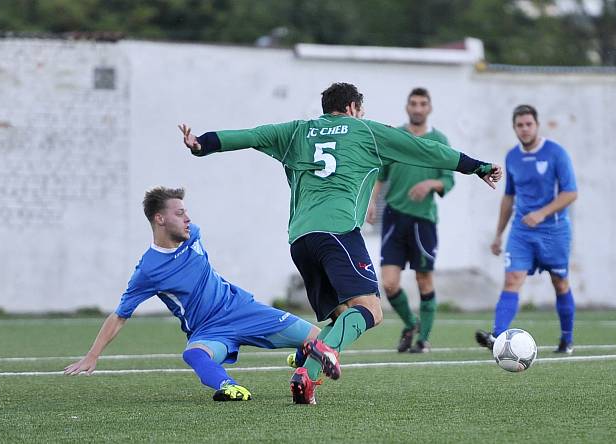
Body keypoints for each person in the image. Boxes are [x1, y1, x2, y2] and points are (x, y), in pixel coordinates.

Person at [179, 82, 502, 404]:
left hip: (301, 239)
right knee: (370, 311)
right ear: (352, 108)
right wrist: (477, 167)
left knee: (341, 317)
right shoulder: (367, 131)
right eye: (360, 110)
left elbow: (248, 136)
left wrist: (201, 144)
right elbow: (426, 150)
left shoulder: (295, 131)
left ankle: (305, 379)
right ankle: (316, 357)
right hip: (338, 232)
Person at [64, 187, 331, 402]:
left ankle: (299, 356)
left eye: (186, 212)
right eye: (180, 213)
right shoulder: (148, 271)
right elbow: (120, 315)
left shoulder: (193, 234)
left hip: (241, 309)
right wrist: (93, 355)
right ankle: (228, 386)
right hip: (209, 330)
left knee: (320, 340)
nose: (188, 219)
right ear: (160, 219)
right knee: (193, 353)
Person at [476, 105, 578, 354]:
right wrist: (498, 234)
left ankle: (567, 339)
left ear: (537, 125)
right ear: (514, 128)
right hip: (522, 232)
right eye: (519, 125)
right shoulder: (512, 157)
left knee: (560, 283)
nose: (524, 129)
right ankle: (498, 337)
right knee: (512, 280)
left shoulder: (556, 153)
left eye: (528, 124)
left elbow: (570, 193)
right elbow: (508, 197)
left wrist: (542, 213)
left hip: (554, 232)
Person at [366, 87, 454, 354]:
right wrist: (371, 201)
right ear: (407, 107)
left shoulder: (439, 140)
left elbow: (449, 179)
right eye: (413, 103)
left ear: (429, 108)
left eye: (422, 104)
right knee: (389, 283)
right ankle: (411, 323)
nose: (417, 108)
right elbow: (380, 175)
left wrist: (431, 183)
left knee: (424, 280)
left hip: (423, 221)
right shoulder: (397, 137)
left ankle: (423, 340)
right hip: (394, 217)